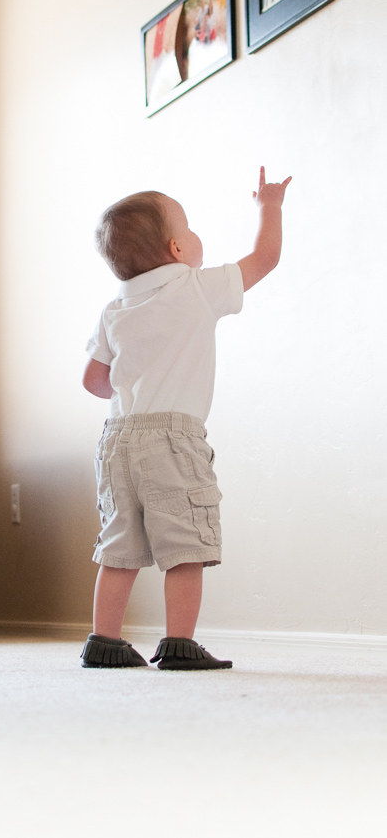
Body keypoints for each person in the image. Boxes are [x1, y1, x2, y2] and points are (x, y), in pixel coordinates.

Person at [81, 168, 291, 671]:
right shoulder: (196, 287)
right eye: (191, 227)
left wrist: (133, 386)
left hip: (117, 440)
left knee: (119, 545)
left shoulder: (115, 309)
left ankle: (103, 640)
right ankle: (178, 643)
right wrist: (270, 207)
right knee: (185, 545)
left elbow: (93, 381)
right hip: (172, 439)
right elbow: (264, 259)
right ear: (177, 249)